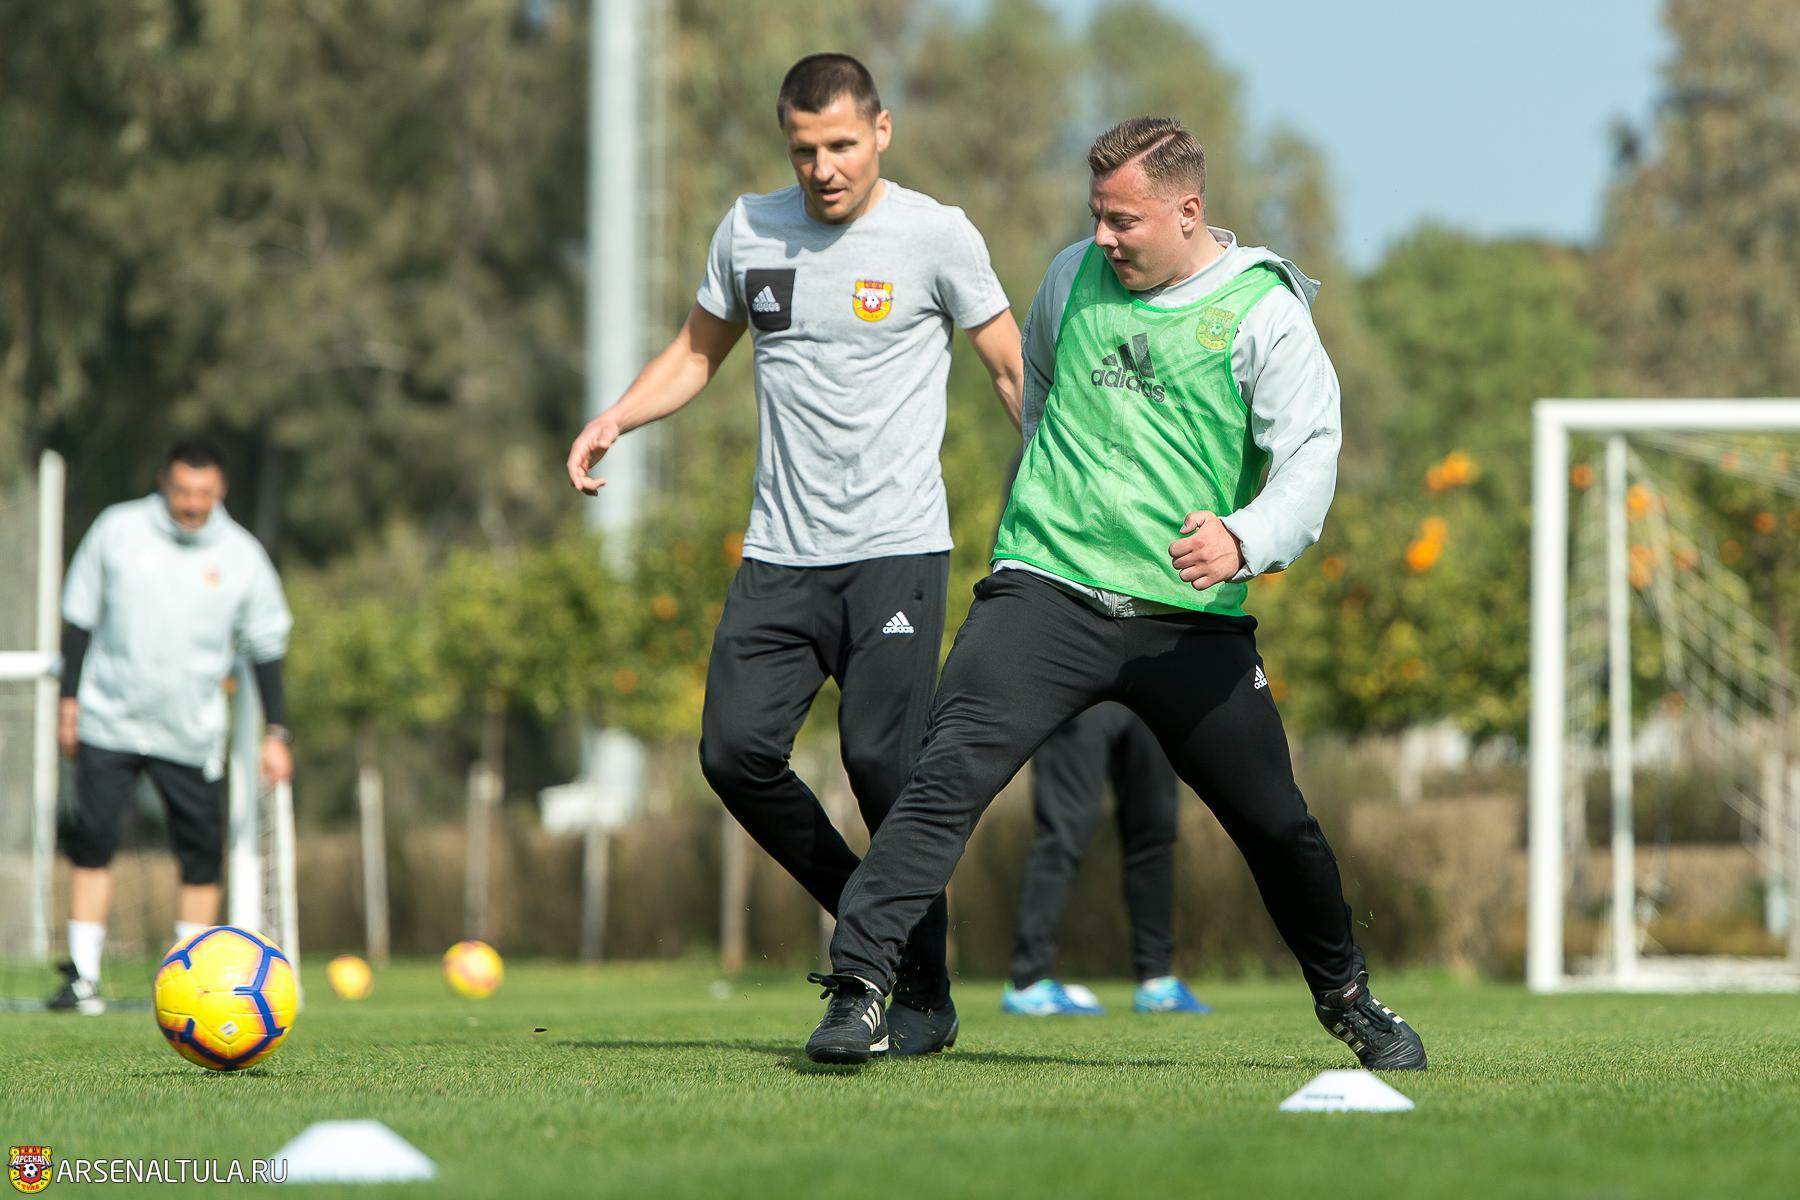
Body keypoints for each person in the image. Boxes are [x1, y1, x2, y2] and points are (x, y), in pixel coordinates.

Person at [803, 116, 1426, 1071]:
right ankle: (864, 988)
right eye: (1096, 215)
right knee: (942, 780)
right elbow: (1043, 401)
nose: (1102, 237)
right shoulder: (1068, 278)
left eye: (1123, 221)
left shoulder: (1263, 312)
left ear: (1188, 211)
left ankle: (1348, 997)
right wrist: (1057, 510)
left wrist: (1244, 537)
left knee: (1276, 823)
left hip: (1188, 623)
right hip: (1045, 591)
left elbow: (1310, 460)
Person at [565, 53, 1021, 1056]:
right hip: (779, 554)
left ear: (882, 132)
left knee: (880, 765)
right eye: (805, 150)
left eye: (842, 145)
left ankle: (893, 980)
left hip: (897, 549)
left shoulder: (936, 235)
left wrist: (1069, 495)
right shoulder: (748, 229)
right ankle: (880, 923)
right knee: (733, 754)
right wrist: (616, 418)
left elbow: (1007, 369)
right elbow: (697, 351)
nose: (824, 168)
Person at [49, 439, 294, 1014]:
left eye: (203, 493)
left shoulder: (242, 556)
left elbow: (266, 647)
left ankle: (195, 982)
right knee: (93, 843)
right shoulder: (117, 530)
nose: (191, 503)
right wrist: (68, 705)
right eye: (182, 490)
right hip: (109, 720)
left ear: (220, 490)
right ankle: (83, 976)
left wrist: (277, 733)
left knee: (201, 854)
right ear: (164, 482)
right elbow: (78, 619)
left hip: (191, 734)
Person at [1004, 701, 1209, 1016]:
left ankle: (1156, 981)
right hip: (1081, 692)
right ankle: (1027, 982)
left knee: (1154, 833)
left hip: (1150, 692)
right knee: (1062, 834)